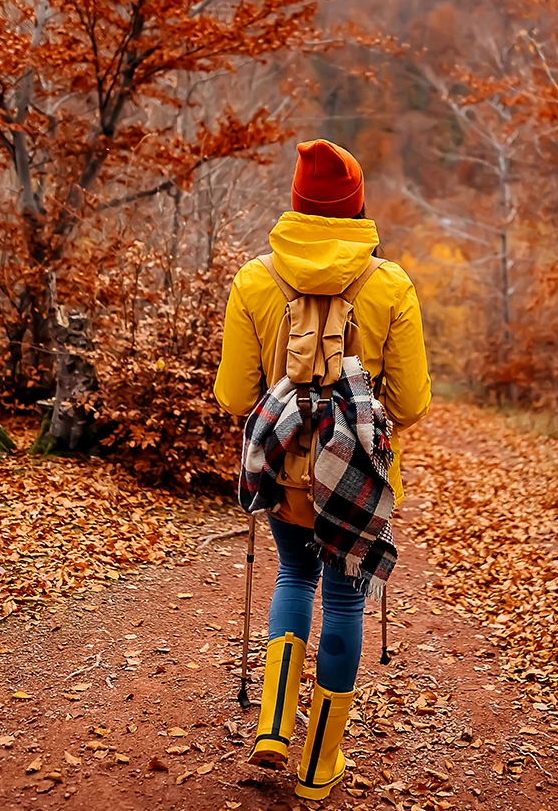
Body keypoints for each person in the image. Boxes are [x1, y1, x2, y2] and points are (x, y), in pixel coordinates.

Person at [214, 138, 431, 800]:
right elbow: (411, 403)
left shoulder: (255, 279)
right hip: (355, 478)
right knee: (341, 597)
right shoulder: (388, 284)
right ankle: (319, 768)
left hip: (283, 472)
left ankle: (275, 727)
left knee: (292, 573)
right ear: (356, 206)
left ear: (296, 205)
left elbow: (231, 396)